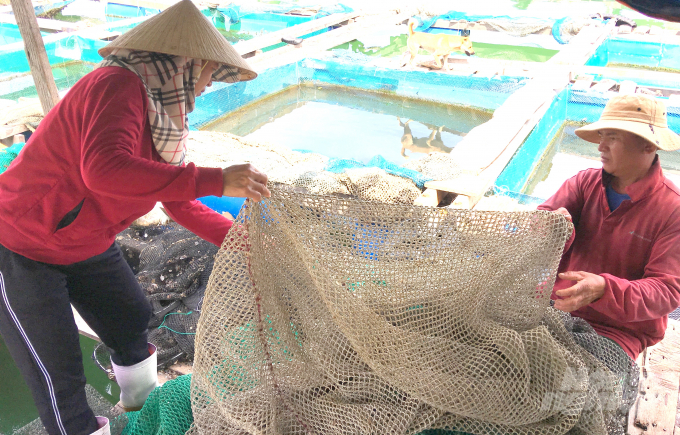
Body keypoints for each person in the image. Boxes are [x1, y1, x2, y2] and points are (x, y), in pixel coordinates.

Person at [0, 1, 270, 435]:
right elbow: (104, 169)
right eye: (207, 74)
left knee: (129, 318)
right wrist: (217, 179)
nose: (205, 88)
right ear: (189, 63)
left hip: (88, 242)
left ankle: (142, 415)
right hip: (22, 242)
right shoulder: (117, 85)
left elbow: (177, 198)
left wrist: (240, 240)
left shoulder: (165, 110)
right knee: (57, 372)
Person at [538, 94, 680, 362]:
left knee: (570, 391)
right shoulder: (583, 183)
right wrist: (550, 226)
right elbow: (539, 222)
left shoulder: (673, 210)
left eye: (612, 137)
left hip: (617, 331)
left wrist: (605, 289)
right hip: (557, 306)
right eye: (601, 136)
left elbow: (666, 292)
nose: (600, 146)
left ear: (648, 146)